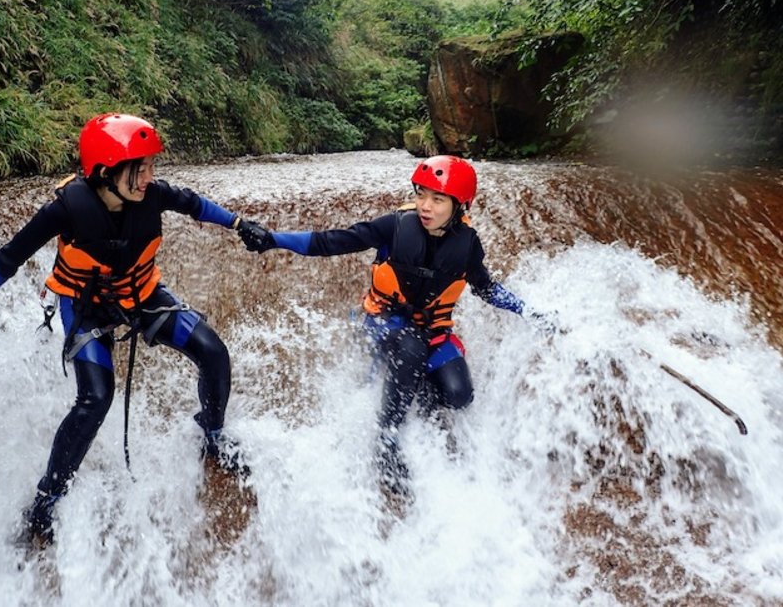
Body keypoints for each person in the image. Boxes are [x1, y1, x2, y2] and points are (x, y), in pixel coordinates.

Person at [0, 113, 257, 543]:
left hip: (142, 297)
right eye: (138, 168)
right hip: (85, 307)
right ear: (106, 171)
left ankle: (213, 434)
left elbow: (197, 205)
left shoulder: (154, 196)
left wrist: (239, 224)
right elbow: (9, 258)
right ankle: (46, 499)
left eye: (150, 166)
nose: (149, 176)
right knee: (95, 399)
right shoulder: (65, 210)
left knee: (213, 353)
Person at [236, 155, 553, 495]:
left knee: (459, 395)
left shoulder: (468, 246)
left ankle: (413, 389)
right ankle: (386, 442)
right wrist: (273, 239)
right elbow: (332, 241)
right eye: (421, 194)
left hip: (431, 330)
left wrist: (530, 312)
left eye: (437, 199)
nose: (425, 206)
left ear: (459, 206)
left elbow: (486, 288)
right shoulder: (396, 225)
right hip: (382, 321)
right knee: (411, 347)